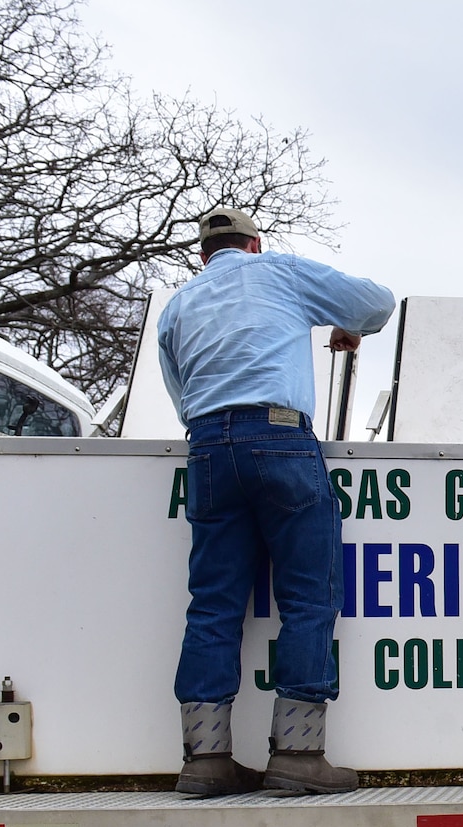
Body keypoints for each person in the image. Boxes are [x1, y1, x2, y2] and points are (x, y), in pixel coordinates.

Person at [158, 206, 394, 797]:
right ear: (255, 245)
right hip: (280, 438)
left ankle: (205, 760)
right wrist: (348, 326)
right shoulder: (281, 274)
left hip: (209, 446)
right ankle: (298, 753)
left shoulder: (179, 304)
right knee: (308, 596)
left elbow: (179, 388)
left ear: (203, 255)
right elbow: (377, 302)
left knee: (212, 604)